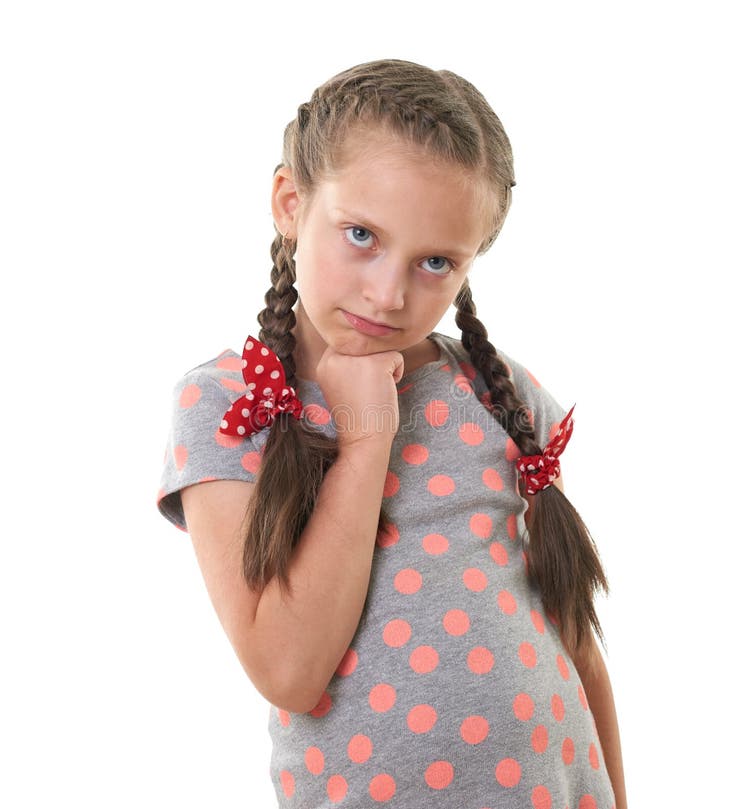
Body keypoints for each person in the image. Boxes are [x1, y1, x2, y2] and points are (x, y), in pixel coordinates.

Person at [156, 58, 627, 808]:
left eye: (436, 261)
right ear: (289, 201)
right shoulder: (229, 402)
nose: (389, 292)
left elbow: (575, 644)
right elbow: (289, 668)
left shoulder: (501, 395)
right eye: (361, 235)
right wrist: (368, 434)